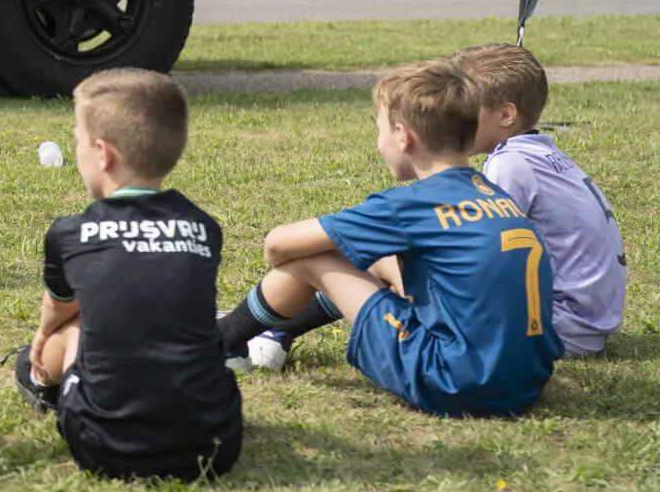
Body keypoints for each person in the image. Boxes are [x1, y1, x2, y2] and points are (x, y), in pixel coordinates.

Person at [217, 58, 562, 417]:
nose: (379, 140)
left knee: (313, 257)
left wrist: (297, 256)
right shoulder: (494, 194)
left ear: (403, 135)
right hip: (525, 382)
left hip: (455, 384)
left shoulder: (410, 205)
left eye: (379, 128)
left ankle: (222, 340)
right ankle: (272, 333)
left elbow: (278, 245)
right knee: (384, 259)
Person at [13, 69, 242, 480]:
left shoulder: (70, 233)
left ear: (103, 153)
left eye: (77, 141)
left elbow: (58, 309)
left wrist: (43, 335)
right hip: (216, 443)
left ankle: (51, 387)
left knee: (68, 330)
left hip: (102, 445)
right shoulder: (204, 227)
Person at [456, 43, 625, 358]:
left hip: (559, 325)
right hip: (586, 323)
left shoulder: (509, 163)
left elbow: (486, 248)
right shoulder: (539, 153)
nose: (450, 119)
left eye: (461, 110)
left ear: (506, 114)